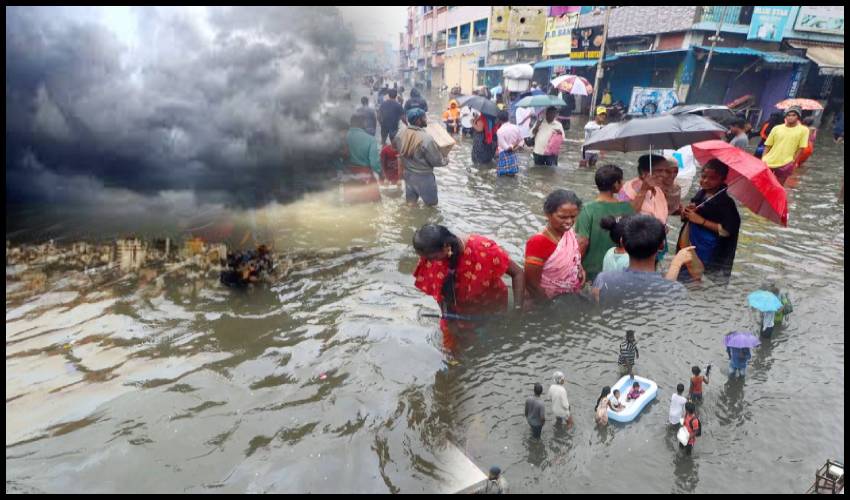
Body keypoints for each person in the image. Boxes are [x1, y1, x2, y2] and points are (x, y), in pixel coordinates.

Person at [412, 224, 524, 344]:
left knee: (495, 342)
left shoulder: (483, 250)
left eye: (433, 257)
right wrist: (449, 320)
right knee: (453, 348)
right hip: (457, 314)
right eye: (425, 258)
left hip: (492, 308)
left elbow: (518, 273)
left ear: (445, 247)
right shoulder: (431, 260)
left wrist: (517, 309)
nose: (428, 263)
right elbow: (441, 294)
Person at [592, 215, 691, 305]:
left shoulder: (603, 280)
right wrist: (676, 264)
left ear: (622, 242)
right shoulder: (676, 290)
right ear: (661, 246)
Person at [677, 160, 741, 280]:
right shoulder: (700, 195)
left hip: (708, 250)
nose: (706, 181)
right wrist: (686, 212)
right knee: (683, 274)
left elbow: (727, 230)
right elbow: (688, 220)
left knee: (697, 279)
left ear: (722, 180)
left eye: (712, 178)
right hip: (690, 243)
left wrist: (701, 221)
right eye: (704, 176)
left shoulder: (726, 204)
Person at [524, 190, 585, 305]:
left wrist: (581, 269)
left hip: (568, 295)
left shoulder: (568, 233)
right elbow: (531, 284)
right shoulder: (538, 242)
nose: (569, 222)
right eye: (562, 217)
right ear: (548, 214)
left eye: (573, 216)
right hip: (544, 300)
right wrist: (548, 307)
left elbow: (573, 256)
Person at [576, 165, 635, 281]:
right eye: (621, 180)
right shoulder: (628, 208)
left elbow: (583, 242)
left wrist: (576, 267)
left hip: (591, 271)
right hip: (619, 270)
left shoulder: (587, 209)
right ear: (616, 184)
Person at [396, 108, 447, 206]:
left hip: (408, 175)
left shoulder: (400, 134)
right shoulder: (426, 138)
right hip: (424, 178)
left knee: (411, 205)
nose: (426, 119)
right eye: (424, 117)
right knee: (432, 207)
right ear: (419, 120)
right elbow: (437, 161)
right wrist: (445, 159)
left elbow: (399, 152)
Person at [762, 106, 809, 185]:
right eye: (788, 115)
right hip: (769, 161)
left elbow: (801, 148)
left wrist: (793, 162)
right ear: (785, 116)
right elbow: (768, 145)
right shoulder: (777, 128)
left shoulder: (803, 130)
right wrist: (763, 158)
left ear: (798, 117)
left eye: (794, 115)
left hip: (786, 163)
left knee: (779, 185)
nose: (791, 117)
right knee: (763, 183)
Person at [341, 113, 382, 203]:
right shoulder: (370, 139)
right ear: (363, 123)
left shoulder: (342, 138)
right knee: (374, 204)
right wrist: (381, 174)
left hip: (348, 176)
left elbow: (338, 159)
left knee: (351, 204)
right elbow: (374, 163)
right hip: (365, 176)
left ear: (351, 123)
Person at [617, 154, 669, 225]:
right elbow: (625, 217)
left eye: (666, 171)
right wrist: (643, 190)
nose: (664, 174)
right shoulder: (628, 190)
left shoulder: (657, 189)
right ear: (644, 172)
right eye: (659, 170)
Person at [495, 110, 523, 176]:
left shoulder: (500, 131)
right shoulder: (516, 127)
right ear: (508, 117)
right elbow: (522, 141)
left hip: (503, 155)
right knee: (512, 176)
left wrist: (511, 147)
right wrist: (515, 148)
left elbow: (506, 148)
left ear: (499, 120)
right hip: (513, 156)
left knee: (501, 178)